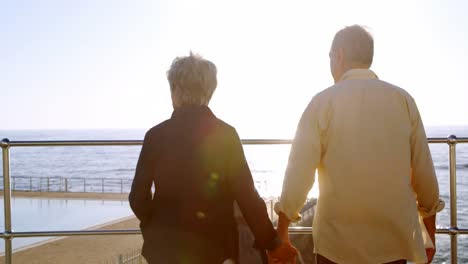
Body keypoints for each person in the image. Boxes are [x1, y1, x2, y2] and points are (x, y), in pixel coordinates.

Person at [273, 25, 444, 264]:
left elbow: (298, 175)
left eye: (330, 57)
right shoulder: (403, 100)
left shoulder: (322, 103)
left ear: (339, 55)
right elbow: (424, 176)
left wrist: (282, 232)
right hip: (393, 244)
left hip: (336, 246)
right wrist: (430, 234)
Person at [129, 52, 296, 263]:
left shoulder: (155, 136)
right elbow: (247, 197)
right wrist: (272, 243)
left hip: (164, 250)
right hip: (215, 249)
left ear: (174, 90)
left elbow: (137, 198)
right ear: (209, 91)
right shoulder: (226, 135)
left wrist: (157, 226)